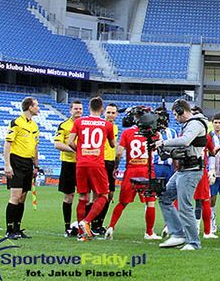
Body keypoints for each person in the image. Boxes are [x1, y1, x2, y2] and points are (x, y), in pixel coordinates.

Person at [156, 99, 208, 251]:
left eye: (176, 114)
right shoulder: (190, 124)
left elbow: (185, 141)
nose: (175, 118)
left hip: (191, 170)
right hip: (183, 170)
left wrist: (164, 143)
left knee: (185, 206)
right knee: (164, 197)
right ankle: (178, 234)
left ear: (181, 111)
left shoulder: (195, 124)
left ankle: (193, 242)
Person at [68, 97, 116, 241]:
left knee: (83, 197)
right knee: (103, 195)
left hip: (81, 163)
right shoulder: (107, 124)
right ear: (102, 109)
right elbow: (113, 145)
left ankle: (81, 234)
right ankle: (86, 222)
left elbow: (70, 142)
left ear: (89, 107)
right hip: (97, 164)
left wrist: (81, 152)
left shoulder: (78, 122)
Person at [105, 121, 161, 240]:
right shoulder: (153, 133)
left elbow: (119, 152)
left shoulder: (127, 132)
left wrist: (115, 167)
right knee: (150, 202)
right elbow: (158, 148)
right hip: (147, 170)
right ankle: (149, 232)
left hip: (131, 169)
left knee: (122, 202)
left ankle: (111, 227)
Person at [4, 96, 40, 239]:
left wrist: (36, 166)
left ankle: (18, 229)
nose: (38, 108)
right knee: (15, 196)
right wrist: (7, 165)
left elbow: (35, 147)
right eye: (36, 105)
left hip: (28, 163)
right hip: (16, 161)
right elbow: (8, 144)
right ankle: (9, 230)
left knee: (23, 197)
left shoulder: (35, 126)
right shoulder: (16, 123)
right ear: (30, 107)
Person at [53, 100, 83, 237]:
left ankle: (83, 225)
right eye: (75, 108)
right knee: (68, 196)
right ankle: (67, 227)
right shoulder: (64, 125)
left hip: (83, 165)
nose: (78, 111)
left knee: (85, 196)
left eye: (80, 109)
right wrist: (76, 151)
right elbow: (57, 144)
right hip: (69, 164)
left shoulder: (85, 125)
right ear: (70, 110)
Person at [91, 103, 119, 235]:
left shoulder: (115, 128)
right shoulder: (99, 126)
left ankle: (100, 223)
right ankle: (92, 223)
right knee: (98, 194)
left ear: (116, 115)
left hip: (110, 163)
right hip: (100, 162)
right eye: (108, 112)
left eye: (113, 113)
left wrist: (115, 165)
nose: (110, 115)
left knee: (110, 195)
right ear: (104, 113)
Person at [191, 105, 217, 240]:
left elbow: (212, 153)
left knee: (188, 201)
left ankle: (193, 229)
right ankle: (205, 231)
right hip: (197, 170)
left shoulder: (186, 133)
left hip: (190, 170)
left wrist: (211, 169)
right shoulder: (205, 136)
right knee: (203, 201)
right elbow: (212, 152)